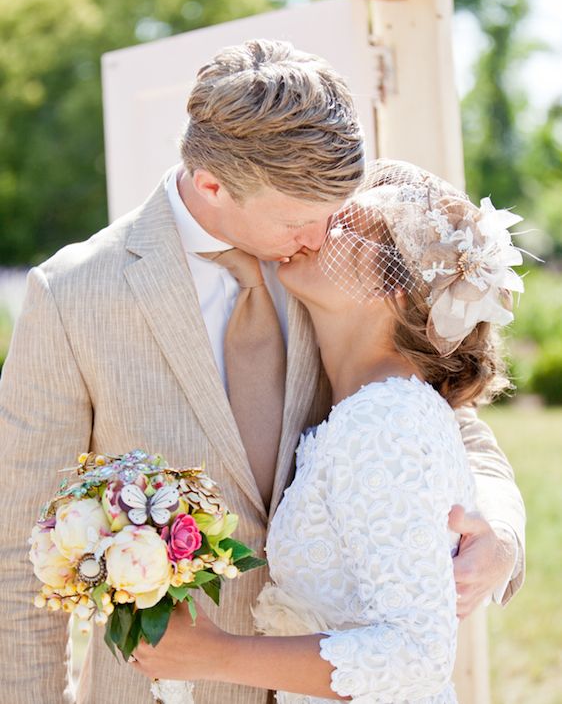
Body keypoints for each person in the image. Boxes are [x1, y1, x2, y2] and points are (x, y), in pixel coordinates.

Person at [0, 41, 523, 704]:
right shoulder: (72, 296)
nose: (325, 234)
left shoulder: (330, 275)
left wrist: (502, 535)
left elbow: (449, 421)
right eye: (302, 220)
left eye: (335, 210)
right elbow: (18, 563)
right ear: (212, 183)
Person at [133, 159, 525, 703]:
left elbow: (416, 656)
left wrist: (211, 653)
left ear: (398, 292)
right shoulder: (377, 407)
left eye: (347, 229)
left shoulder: (386, 423)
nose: (319, 228)